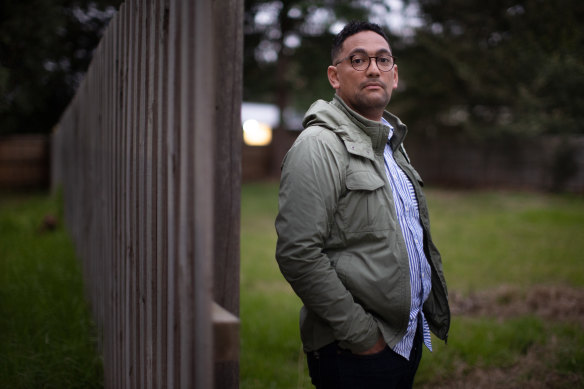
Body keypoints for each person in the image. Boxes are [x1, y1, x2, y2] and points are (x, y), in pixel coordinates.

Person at [275, 21, 450, 388]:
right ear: (334, 76)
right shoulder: (318, 145)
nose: (373, 68)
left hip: (404, 340)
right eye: (358, 59)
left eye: (383, 60)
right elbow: (298, 252)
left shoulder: (389, 142)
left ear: (395, 75)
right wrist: (363, 337)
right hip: (354, 352)